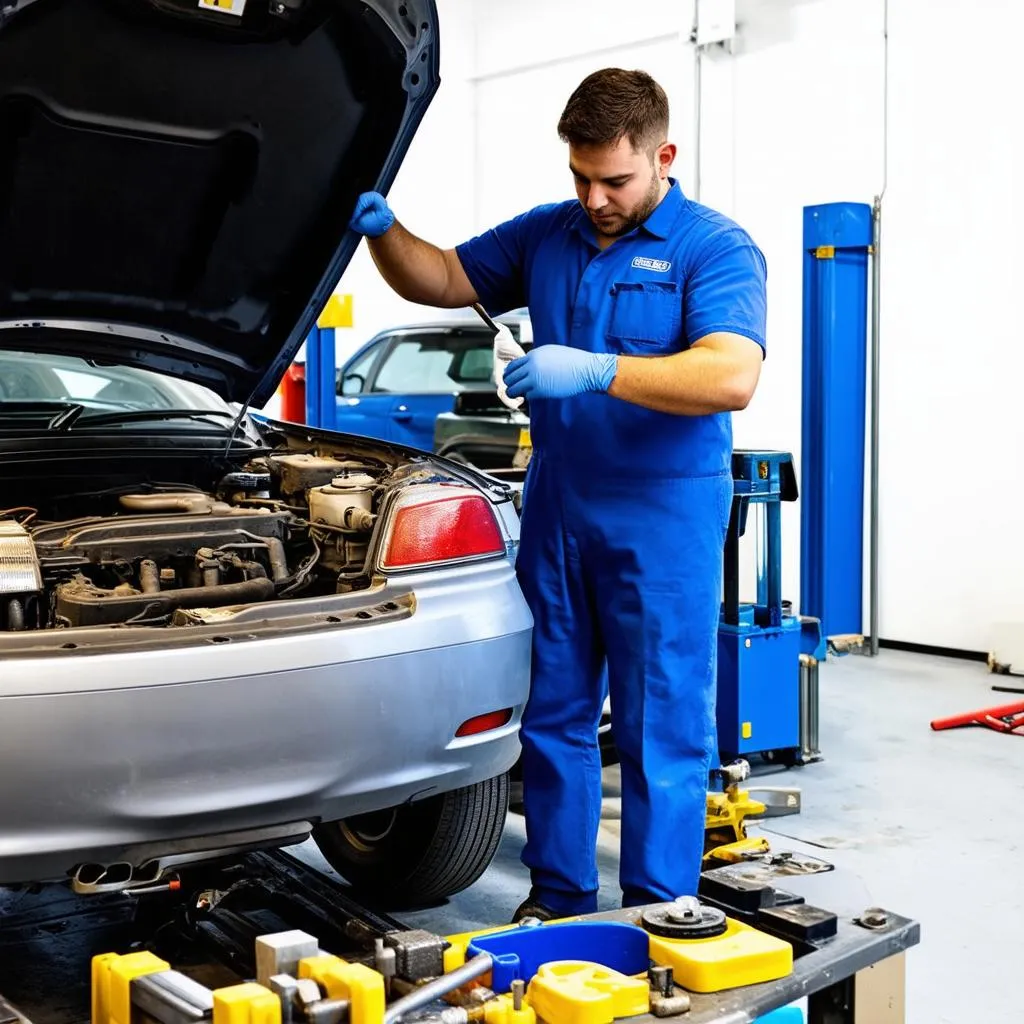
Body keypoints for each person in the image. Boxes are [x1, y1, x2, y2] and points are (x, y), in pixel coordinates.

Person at [348, 68, 767, 919]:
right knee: (552, 715)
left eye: (614, 180)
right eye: (580, 177)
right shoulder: (550, 234)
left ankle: (656, 910)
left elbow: (733, 373)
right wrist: (385, 229)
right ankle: (559, 895)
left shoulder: (714, 249)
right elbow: (439, 278)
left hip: (663, 520)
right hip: (559, 511)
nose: (595, 197)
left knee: (662, 729)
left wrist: (600, 369)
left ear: (663, 157)